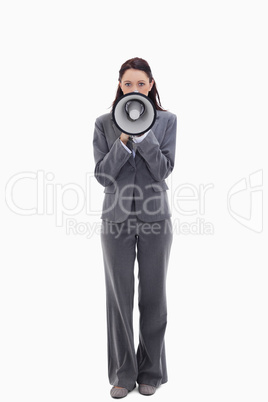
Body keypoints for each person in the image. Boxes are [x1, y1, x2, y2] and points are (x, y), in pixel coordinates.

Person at [93, 57, 177, 398]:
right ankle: (123, 375)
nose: (135, 89)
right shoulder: (104, 123)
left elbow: (163, 170)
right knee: (119, 299)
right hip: (115, 220)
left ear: (151, 84)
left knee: (153, 297)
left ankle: (152, 373)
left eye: (141, 83)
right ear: (120, 86)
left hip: (156, 218)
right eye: (128, 84)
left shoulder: (168, 121)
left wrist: (145, 138)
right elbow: (102, 175)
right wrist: (124, 140)